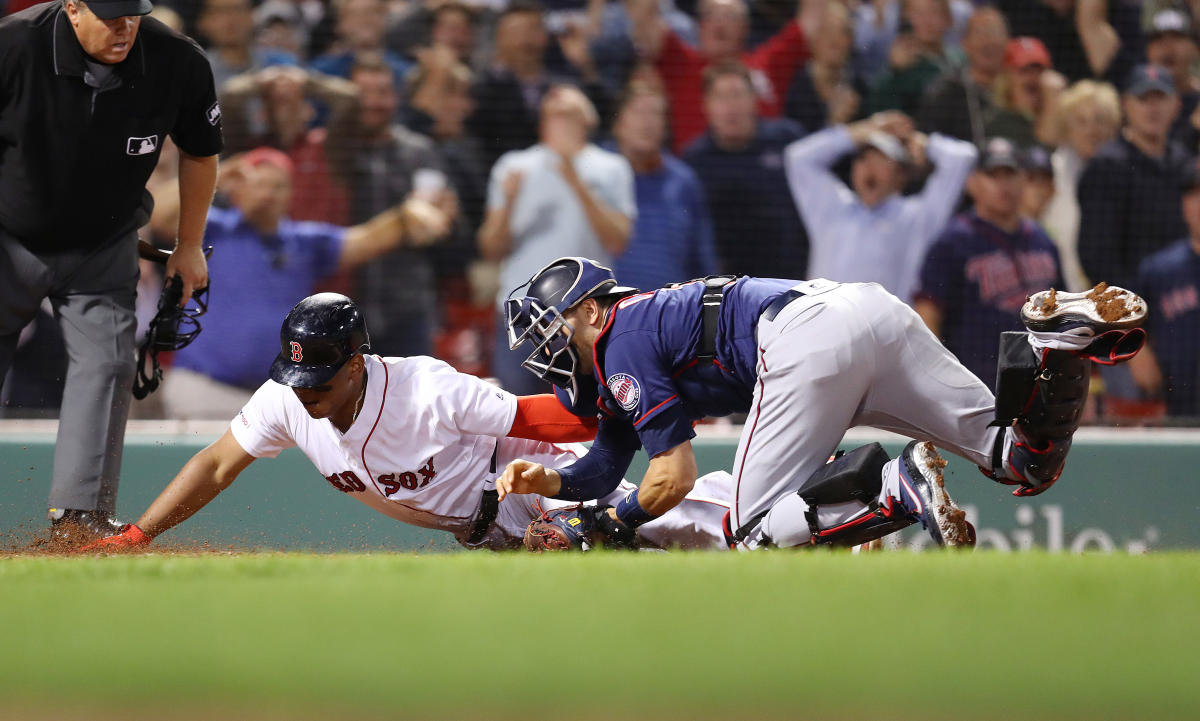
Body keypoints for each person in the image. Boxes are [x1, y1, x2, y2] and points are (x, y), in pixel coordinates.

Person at [498, 256, 1147, 552]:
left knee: (749, 532)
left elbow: (674, 477)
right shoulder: (625, 345)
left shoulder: (621, 337)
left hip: (805, 344)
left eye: (550, 329)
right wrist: (555, 480)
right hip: (865, 310)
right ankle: (1058, 343)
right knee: (1020, 457)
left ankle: (898, 487)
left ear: (590, 309)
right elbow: (611, 458)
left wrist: (611, 524)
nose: (544, 347)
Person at [85, 294, 732, 552]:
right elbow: (216, 463)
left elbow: (545, 420)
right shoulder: (285, 396)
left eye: (319, 379)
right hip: (483, 530)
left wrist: (649, 405)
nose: (304, 394)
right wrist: (139, 533)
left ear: (358, 363)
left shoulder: (427, 387)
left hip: (529, 478)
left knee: (686, 529)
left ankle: (776, 508)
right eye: (295, 375)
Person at [0, 0, 222, 541]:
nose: (125, 26)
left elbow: (200, 150)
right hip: (9, 236)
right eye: (111, 15)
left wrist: (189, 244)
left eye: (133, 14)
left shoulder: (176, 59)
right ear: (73, 8)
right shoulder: (14, 46)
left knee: (107, 364)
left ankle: (78, 519)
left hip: (104, 242)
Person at [158, 147, 449, 420]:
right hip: (204, 389)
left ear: (291, 195)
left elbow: (365, 240)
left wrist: (405, 216)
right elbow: (158, 215)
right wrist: (215, 176)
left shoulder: (304, 242)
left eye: (278, 186)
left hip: (279, 396)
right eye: (258, 183)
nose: (268, 193)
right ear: (236, 189)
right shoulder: (209, 230)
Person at [479, 85, 634, 395]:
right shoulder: (514, 167)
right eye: (555, 117)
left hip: (587, 316)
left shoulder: (611, 167)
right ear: (542, 122)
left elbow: (619, 240)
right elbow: (490, 248)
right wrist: (509, 202)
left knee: (589, 412)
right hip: (524, 314)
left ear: (587, 122)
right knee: (518, 414)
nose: (561, 125)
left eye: (570, 117)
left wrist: (574, 179)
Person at [326, 57, 458, 358]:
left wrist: (445, 218)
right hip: (340, 307)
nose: (373, 102)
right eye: (363, 93)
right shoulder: (331, 150)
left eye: (383, 92)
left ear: (396, 98)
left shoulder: (419, 152)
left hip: (407, 306)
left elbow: (440, 227)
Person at [783, 110, 977, 304]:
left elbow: (962, 158)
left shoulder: (918, 218)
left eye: (881, 159)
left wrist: (919, 142)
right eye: (862, 159)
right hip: (824, 328)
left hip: (886, 332)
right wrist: (864, 129)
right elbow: (798, 157)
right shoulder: (832, 209)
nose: (869, 167)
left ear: (901, 174)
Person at [915, 139, 1064, 384]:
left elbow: (1061, 310)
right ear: (972, 183)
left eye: (1010, 174)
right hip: (975, 380)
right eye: (992, 175)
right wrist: (938, 376)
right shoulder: (953, 241)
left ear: (1023, 180)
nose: (1003, 184)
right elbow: (928, 313)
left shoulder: (1042, 239)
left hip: (1038, 379)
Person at [683, 63, 808, 281]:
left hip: (791, 279)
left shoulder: (787, 140)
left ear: (754, 101)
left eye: (737, 95)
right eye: (721, 97)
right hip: (724, 289)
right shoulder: (694, 161)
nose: (731, 106)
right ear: (706, 106)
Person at [631, 0, 809, 152]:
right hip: (700, 174)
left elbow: (811, 23)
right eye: (710, 15)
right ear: (699, 24)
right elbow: (644, 19)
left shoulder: (768, 63)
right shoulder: (679, 62)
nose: (719, 24)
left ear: (745, 27)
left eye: (730, 16)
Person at [1077, 64, 1191, 293]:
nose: (1152, 108)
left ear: (1177, 105)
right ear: (1125, 104)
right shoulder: (1107, 165)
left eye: (1160, 98)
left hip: (1182, 303)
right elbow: (1096, 256)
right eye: (1143, 99)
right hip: (1132, 309)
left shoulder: (1184, 162)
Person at [466, 0, 612, 169]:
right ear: (500, 38)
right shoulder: (483, 88)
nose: (526, 40)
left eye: (534, 29)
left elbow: (605, 119)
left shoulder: (565, 86)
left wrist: (585, 66)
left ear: (546, 36)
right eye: (516, 31)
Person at [611, 82, 717, 291]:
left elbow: (702, 259)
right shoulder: (596, 173)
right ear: (619, 124)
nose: (647, 122)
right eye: (638, 112)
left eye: (655, 114)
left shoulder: (684, 182)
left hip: (670, 312)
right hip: (604, 312)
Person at [1039, 80, 1121, 292]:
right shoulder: (1049, 173)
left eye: (1100, 120)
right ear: (1067, 129)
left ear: (1113, 127)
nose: (1091, 130)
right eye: (1081, 122)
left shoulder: (1124, 172)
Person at [1132, 167, 1200, 418]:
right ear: (1184, 205)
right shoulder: (1158, 270)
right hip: (1177, 407)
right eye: (1194, 194)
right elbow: (1129, 325)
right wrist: (1138, 353)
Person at [917, 5, 1008, 147]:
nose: (988, 41)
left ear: (1008, 41)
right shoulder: (944, 93)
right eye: (980, 33)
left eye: (994, 32)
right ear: (965, 44)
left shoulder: (1020, 87)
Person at [783, 0, 866, 132]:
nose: (835, 41)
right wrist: (833, 123)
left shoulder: (860, 86)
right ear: (811, 39)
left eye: (843, 32)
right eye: (826, 31)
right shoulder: (796, 89)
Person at [865, 0, 953, 117]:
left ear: (948, 18)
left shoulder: (961, 60)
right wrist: (894, 73)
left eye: (934, 12)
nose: (927, 20)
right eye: (917, 13)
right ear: (905, 18)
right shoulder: (897, 69)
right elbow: (881, 116)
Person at [196, 0, 297, 90]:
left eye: (238, 10)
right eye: (220, 11)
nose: (230, 19)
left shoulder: (280, 63)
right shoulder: (197, 71)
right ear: (204, 21)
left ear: (252, 15)